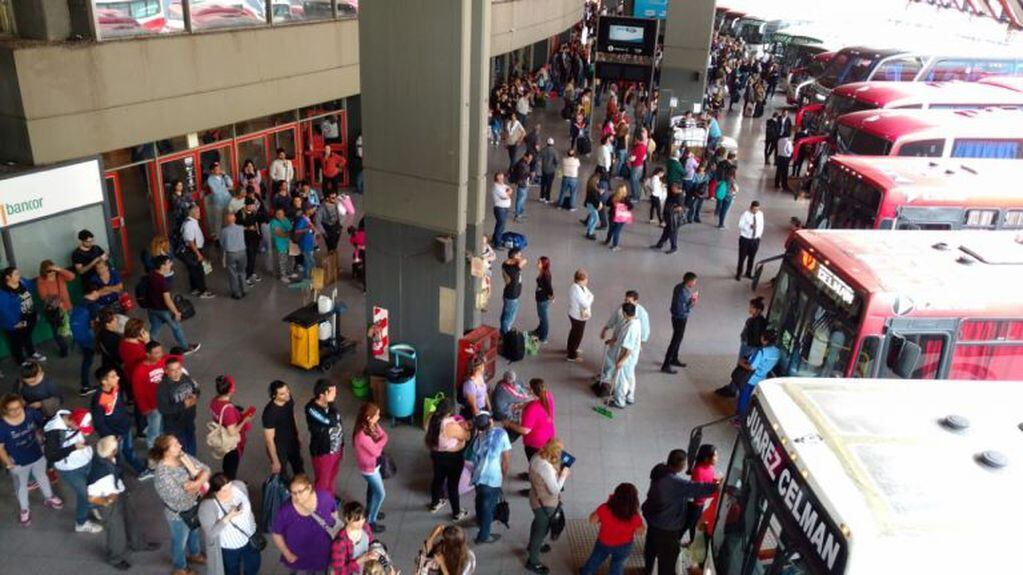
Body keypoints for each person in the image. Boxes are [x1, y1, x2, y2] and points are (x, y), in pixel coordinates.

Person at [641, 449, 718, 575]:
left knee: (651, 549)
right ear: (681, 464)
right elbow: (696, 488)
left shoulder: (660, 471)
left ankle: (649, 569)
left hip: (653, 520)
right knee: (668, 558)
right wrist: (717, 486)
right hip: (667, 527)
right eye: (685, 463)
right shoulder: (675, 483)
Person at [88, 435, 158, 570]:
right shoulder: (101, 473)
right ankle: (115, 558)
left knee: (131, 519)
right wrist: (107, 500)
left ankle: (138, 543)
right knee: (116, 531)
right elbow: (91, 497)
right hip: (109, 503)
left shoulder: (105, 457)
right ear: (112, 451)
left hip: (119, 492)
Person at [150, 434, 210, 575]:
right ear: (166, 451)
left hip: (193, 506)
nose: (180, 446)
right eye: (175, 445)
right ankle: (180, 568)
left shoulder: (182, 457)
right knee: (179, 542)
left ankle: (194, 554)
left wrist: (196, 484)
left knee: (194, 531)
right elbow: (179, 498)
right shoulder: (162, 475)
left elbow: (205, 469)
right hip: (178, 514)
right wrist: (200, 484)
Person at [0, 394, 63, 526]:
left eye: (18, 407)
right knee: (21, 487)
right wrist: (9, 464)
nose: (16, 411)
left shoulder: (30, 413)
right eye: (12, 409)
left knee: (42, 477)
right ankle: (24, 509)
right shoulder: (2, 426)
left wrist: (41, 437)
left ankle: (49, 497)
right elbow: (0, 448)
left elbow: (42, 425)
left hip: (36, 454)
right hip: (18, 462)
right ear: (5, 410)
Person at [44, 408, 99, 533]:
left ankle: (93, 505)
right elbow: (51, 456)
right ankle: (81, 523)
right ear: (72, 421)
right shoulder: (54, 431)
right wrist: (73, 447)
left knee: (92, 488)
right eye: (79, 427)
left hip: (87, 461)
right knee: (84, 495)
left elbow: (87, 434)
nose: (81, 431)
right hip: (70, 470)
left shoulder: (72, 416)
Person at [271, 474, 339, 574]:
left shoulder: (324, 497)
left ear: (309, 488)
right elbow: (276, 533)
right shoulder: (285, 511)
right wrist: (287, 553)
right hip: (298, 558)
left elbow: (334, 513)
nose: (297, 496)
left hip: (322, 554)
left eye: (300, 491)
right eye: (293, 493)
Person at [92, 365, 151, 478]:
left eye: (116, 375)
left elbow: (119, 405)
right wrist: (110, 436)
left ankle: (140, 470)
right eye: (113, 376)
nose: (117, 378)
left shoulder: (116, 388)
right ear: (104, 381)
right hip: (114, 434)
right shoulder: (99, 399)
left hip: (124, 426)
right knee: (116, 456)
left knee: (128, 450)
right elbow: (99, 422)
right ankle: (117, 476)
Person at [199, 472, 262, 575]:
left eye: (230, 487)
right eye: (224, 491)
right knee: (232, 571)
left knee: (254, 565)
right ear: (215, 492)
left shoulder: (239, 486)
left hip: (249, 538)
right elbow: (211, 533)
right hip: (230, 547)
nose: (229, 492)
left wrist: (253, 523)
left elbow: (248, 507)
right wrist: (229, 516)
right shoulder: (208, 506)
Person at [525, 438, 570, 574]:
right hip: (545, 504)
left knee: (537, 523)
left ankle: (531, 545)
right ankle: (533, 561)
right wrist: (563, 475)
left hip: (535, 497)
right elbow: (555, 489)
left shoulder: (536, 455)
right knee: (541, 530)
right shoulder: (546, 467)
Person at [579, 483, 645, 575]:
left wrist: (598, 514)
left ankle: (586, 572)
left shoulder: (605, 508)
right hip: (624, 546)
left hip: (604, 542)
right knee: (617, 566)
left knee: (594, 561)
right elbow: (640, 532)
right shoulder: (634, 517)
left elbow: (592, 520)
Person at [468, 411, 511, 544]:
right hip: (492, 479)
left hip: (478, 478)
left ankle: (479, 519)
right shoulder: (502, 434)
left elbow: (473, 459)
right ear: (490, 421)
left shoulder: (478, 439)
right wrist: (502, 476)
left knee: (479, 499)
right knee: (489, 507)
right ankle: (484, 536)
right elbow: (505, 461)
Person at [425, 397, 471, 521]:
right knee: (452, 485)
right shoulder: (450, 425)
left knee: (437, 479)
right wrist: (465, 428)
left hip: (436, 454)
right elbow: (466, 436)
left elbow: (426, 429)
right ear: (449, 412)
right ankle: (456, 513)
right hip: (452, 458)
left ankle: (435, 504)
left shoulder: (430, 417)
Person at [716, 297, 768, 398]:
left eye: (751, 307)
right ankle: (732, 387)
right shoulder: (755, 320)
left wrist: (747, 344)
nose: (749, 309)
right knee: (740, 366)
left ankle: (732, 389)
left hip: (749, 347)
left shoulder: (756, 322)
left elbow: (756, 338)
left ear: (758, 309)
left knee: (741, 367)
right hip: (747, 345)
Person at [147, 256, 200, 353]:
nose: (171, 264)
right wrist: (176, 312)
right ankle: (185, 348)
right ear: (162, 266)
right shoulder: (163, 281)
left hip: (151, 308)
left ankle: (147, 347)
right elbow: (167, 300)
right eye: (168, 263)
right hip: (163, 310)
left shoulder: (151, 275)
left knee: (154, 330)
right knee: (177, 328)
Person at [210, 376, 254, 480]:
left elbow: (220, 414)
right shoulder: (228, 410)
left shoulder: (214, 401)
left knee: (227, 462)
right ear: (231, 390)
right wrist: (244, 420)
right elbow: (232, 432)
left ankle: (226, 477)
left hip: (222, 438)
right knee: (232, 466)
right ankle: (229, 484)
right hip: (232, 444)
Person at [353, 402, 389, 532]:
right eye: (376, 415)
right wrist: (381, 442)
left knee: (372, 490)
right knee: (380, 494)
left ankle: (372, 509)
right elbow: (376, 451)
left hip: (374, 465)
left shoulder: (371, 425)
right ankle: (371, 520)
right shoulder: (362, 436)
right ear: (368, 418)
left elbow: (384, 435)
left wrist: (380, 442)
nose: (378, 417)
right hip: (369, 469)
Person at [305, 378, 345, 494]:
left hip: (336, 449)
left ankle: (330, 499)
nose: (335, 394)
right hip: (323, 452)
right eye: (332, 392)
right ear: (322, 394)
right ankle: (321, 505)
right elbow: (331, 421)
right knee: (322, 481)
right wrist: (331, 403)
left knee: (332, 476)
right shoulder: (311, 409)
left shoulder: (329, 403)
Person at [0, 267, 45, 366]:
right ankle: (20, 360)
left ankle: (31, 353)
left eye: (18, 273)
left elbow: (32, 290)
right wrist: (15, 323)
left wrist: (34, 313)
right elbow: (4, 311)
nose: (19, 275)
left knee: (27, 336)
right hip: (14, 322)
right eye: (16, 274)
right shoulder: (3, 293)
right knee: (16, 342)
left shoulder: (23, 282)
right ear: (8, 277)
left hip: (28, 316)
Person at [158, 357, 200, 456]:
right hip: (175, 425)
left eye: (178, 368)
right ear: (166, 371)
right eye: (173, 370)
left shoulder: (185, 377)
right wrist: (183, 405)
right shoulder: (163, 388)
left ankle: (193, 459)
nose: (177, 372)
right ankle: (187, 465)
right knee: (181, 448)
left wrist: (195, 395)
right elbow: (163, 409)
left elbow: (195, 388)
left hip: (189, 418)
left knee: (191, 439)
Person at [262, 380, 304, 479]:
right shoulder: (269, 413)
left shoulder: (289, 400)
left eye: (287, 391)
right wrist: (275, 461)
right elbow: (269, 440)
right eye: (282, 394)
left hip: (292, 440)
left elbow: (292, 416)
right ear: (274, 396)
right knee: (282, 473)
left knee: (299, 466)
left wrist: (297, 435)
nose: (287, 395)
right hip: (279, 445)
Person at [133, 342, 171, 448]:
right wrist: (145, 408)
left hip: (165, 402)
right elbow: (139, 393)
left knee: (163, 427)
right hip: (153, 407)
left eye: (161, 351)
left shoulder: (162, 362)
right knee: (153, 431)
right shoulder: (140, 371)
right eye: (156, 353)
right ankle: (152, 452)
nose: (160, 354)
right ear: (148, 354)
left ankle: (162, 447)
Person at [735, 330, 781, 416]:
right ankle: (748, 415)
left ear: (765, 340)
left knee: (744, 397)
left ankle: (739, 418)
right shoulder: (777, 352)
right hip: (762, 379)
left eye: (762, 337)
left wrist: (740, 362)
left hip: (751, 379)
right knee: (752, 398)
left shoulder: (762, 351)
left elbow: (752, 367)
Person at [606, 303, 642, 409]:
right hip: (631, 358)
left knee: (621, 380)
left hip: (627, 358)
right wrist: (613, 340)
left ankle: (619, 401)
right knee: (629, 376)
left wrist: (621, 361)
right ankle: (630, 397)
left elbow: (628, 349)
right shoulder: (635, 321)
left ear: (625, 313)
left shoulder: (631, 327)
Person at [35, 260, 75, 357]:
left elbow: (72, 276)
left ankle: (76, 343)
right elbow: (44, 297)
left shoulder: (60, 276)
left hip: (67, 306)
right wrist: (58, 303)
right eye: (49, 271)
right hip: (54, 311)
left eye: (53, 270)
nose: (52, 273)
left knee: (71, 326)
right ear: (44, 271)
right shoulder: (41, 281)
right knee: (57, 331)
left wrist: (59, 269)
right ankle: (63, 348)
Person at [681, 444, 719, 545]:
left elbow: (709, 481)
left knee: (694, 524)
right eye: (714, 456)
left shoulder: (710, 468)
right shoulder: (698, 471)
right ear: (706, 458)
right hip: (695, 505)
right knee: (687, 525)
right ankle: (674, 542)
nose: (717, 458)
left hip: (700, 504)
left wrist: (716, 482)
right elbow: (698, 492)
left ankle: (692, 542)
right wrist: (714, 490)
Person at [661, 272, 698, 373]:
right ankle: (666, 364)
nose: (694, 284)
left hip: (677, 317)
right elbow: (681, 308)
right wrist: (692, 303)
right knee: (675, 340)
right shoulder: (682, 292)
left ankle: (674, 358)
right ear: (689, 281)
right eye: (694, 282)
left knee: (679, 338)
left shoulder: (680, 287)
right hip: (680, 318)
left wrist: (690, 301)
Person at [330, 501, 380, 575]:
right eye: (356, 520)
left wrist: (385, 564)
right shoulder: (339, 543)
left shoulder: (365, 527)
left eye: (363, 518)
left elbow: (373, 543)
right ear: (347, 519)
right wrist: (361, 560)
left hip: (366, 569)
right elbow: (339, 571)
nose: (361, 523)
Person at [180, 204, 215, 299]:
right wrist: (198, 254)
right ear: (192, 213)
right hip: (193, 251)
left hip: (194, 250)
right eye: (197, 212)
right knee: (198, 271)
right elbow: (190, 241)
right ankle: (203, 291)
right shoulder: (189, 224)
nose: (199, 213)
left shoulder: (191, 221)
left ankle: (194, 288)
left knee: (193, 271)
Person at [519, 378, 556, 464]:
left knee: (534, 463)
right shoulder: (548, 396)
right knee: (544, 461)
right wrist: (526, 404)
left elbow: (525, 430)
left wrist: (509, 424)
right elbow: (537, 401)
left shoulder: (533, 408)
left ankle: (533, 475)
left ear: (531, 390)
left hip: (535, 442)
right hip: (548, 436)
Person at [490, 370, 532, 444]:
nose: (514, 382)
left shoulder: (502, 382)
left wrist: (527, 388)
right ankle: (508, 436)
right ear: (509, 381)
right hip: (501, 412)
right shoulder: (506, 391)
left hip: (503, 404)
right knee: (520, 415)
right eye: (513, 381)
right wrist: (533, 395)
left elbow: (520, 384)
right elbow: (522, 398)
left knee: (519, 392)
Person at [235, 197, 266, 285]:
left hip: (255, 238)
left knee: (253, 257)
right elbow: (236, 227)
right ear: (247, 205)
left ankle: (251, 272)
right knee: (249, 257)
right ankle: (246, 276)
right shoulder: (240, 214)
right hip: (245, 239)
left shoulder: (254, 212)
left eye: (254, 206)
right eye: (252, 206)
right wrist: (247, 228)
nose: (253, 207)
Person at [566, 269, 593, 362]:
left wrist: (589, 298)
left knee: (574, 332)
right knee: (577, 335)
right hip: (577, 316)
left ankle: (572, 349)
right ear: (581, 280)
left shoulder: (580, 287)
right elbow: (586, 304)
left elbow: (590, 294)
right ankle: (572, 355)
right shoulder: (577, 289)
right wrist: (589, 299)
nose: (587, 280)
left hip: (577, 314)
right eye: (586, 279)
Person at [650, 183, 685, 254]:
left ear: (677, 188)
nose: (672, 189)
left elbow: (680, 207)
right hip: (669, 218)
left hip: (674, 219)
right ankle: (660, 244)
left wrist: (671, 209)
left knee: (673, 233)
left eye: (673, 188)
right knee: (666, 232)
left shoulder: (680, 196)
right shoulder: (675, 194)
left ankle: (674, 247)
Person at [221, 212, 249, 300]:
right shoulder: (240, 228)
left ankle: (237, 293)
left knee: (233, 273)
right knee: (242, 271)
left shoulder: (224, 231)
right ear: (235, 219)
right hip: (242, 252)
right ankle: (244, 289)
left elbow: (222, 243)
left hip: (231, 253)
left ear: (226, 220)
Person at [499, 247, 527, 335]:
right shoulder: (513, 269)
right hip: (512, 297)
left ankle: (503, 331)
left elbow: (521, 261)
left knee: (506, 315)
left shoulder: (507, 264)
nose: (521, 256)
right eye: (519, 255)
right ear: (514, 257)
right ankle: (506, 335)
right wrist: (518, 261)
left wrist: (516, 260)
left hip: (509, 295)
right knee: (509, 317)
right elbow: (524, 261)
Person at [205, 161, 233, 241]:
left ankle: (229, 235)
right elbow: (216, 191)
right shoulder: (210, 179)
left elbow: (231, 184)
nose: (218, 170)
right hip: (218, 202)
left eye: (219, 168)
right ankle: (217, 238)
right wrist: (227, 189)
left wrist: (225, 175)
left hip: (227, 200)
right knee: (218, 220)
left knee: (229, 218)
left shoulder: (223, 176)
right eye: (216, 169)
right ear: (212, 171)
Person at [736, 201, 764, 281]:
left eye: (757, 209)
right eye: (754, 209)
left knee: (752, 257)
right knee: (742, 257)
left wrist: (759, 236)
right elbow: (740, 225)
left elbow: (761, 225)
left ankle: (748, 272)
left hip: (755, 239)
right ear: (751, 208)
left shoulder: (760, 214)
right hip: (745, 239)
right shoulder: (745, 214)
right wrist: (749, 226)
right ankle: (739, 273)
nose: (755, 211)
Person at [532, 256, 554, 344]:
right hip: (540, 298)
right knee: (541, 316)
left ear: (543, 265)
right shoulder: (542, 272)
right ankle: (539, 330)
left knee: (544, 318)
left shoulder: (545, 275)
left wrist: (551, 297)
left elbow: (549, 288)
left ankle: (543, 337)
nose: (537, 264)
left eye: (539, 263)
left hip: (543, 300)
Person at [294, 203, 318, 281]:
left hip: (309, 243)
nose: (313, 210)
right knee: (311, 263)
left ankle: (307, 278)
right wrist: (307, 229)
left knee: (307, 263)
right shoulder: (302, 220)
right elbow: (297, 231)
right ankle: (307, 278)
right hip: (305, 244)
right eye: (312, 209)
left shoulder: (308, 219)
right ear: (307, 210)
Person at [604, 185, 632, 251]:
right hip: (620, 217)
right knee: (617, 231)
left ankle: (607, 241)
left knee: (610, 229)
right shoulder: (625, 199)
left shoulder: (613, 196)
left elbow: (607, 204)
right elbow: (631, 206)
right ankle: (615, 245)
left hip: (612, 216)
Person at [491, 172, 512, 249]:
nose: (502, 179)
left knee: (499, 225)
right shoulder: (496, 187)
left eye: (502, 177)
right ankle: (497, 243)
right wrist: (508, 192)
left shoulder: (502, 185)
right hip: (500, 209)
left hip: (504, 209)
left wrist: (508, 192)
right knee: (501, 226)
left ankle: (495, 239)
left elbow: (509, 189)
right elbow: (504, 197)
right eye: (500, 178)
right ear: (496, 178)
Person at [511, 151, 533, 222]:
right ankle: (517, 214)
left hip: (524, 183)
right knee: (520, 199)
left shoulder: (524, 163)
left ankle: (520, 212)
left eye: (531, 159)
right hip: (522, 184)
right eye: (529, 158)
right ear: (525, 157)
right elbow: (522, 175)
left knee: (523, 198)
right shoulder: (522, 164)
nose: (530, 160)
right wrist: (530, 174)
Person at [583, 174, 604, 240]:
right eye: (598, 180)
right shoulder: (593, 190)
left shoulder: (590, 186)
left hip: (589, 204)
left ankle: (588, 231)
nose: (598, 181)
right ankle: (590, 232)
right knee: (596, 219)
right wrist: (600, 201)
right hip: (592, 205)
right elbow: (595, 199)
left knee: (592, 217)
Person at [538, 138, 558, 203]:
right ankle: (547, 198)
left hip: (544, 169)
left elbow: (538, 157)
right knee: (549, 185)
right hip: (551, 170)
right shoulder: (555, 151)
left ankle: (541, 197)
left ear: (547, 143)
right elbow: (556, 161)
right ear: (553, 144)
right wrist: (555, 166)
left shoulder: (543, 150)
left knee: (543, 183)